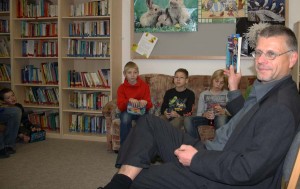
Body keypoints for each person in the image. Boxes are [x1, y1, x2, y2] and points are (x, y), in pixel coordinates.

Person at [98, 25, 300, 189]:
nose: (261, 61)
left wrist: (196, 160)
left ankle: (122, 183)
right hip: (213, 152)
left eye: (271, 54)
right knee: (149, 122)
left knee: (140, 179)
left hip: (220, 175)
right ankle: (119, 182)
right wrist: (233, 89)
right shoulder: (268, 87)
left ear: (292, 58)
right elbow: (247, 120)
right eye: (258, 52)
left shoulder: (280, 108)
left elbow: (247, 170)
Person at [184, 69, 230, 139]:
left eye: (221, 83)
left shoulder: (228, 94)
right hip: (207, 119)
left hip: (221, 118)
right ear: (212, 80)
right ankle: (196, 145)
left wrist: (224, 112)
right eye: (216, 81)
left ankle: (220, 145)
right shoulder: (204, 94)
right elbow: (199, 113)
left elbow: (235, 113)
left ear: (224, 84)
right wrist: (204, 114)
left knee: (221, 119)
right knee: (187, 120)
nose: (218, 84)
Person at [117, 61, 153, 145]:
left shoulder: (144, 86)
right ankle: (125, 147)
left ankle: (144, 147)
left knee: (146, 120)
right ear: (125, 74)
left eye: (135, 72)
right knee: (125, 118)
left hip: (141, 111)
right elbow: (120, 107)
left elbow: (150, 105)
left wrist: (145, 102)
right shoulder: (121, 88)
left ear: (138, 74)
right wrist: (128, 100)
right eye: (129, 72)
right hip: (127, 111)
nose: (132, 75)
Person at [0, 90, 22, 158]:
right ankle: (2, 148)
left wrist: (23, 133)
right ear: (3, 101)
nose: (12, 98)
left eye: (13, 95)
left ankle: (8, 145)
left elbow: (22, 122)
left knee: (17, 110)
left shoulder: (18, 107)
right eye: (8, 98)